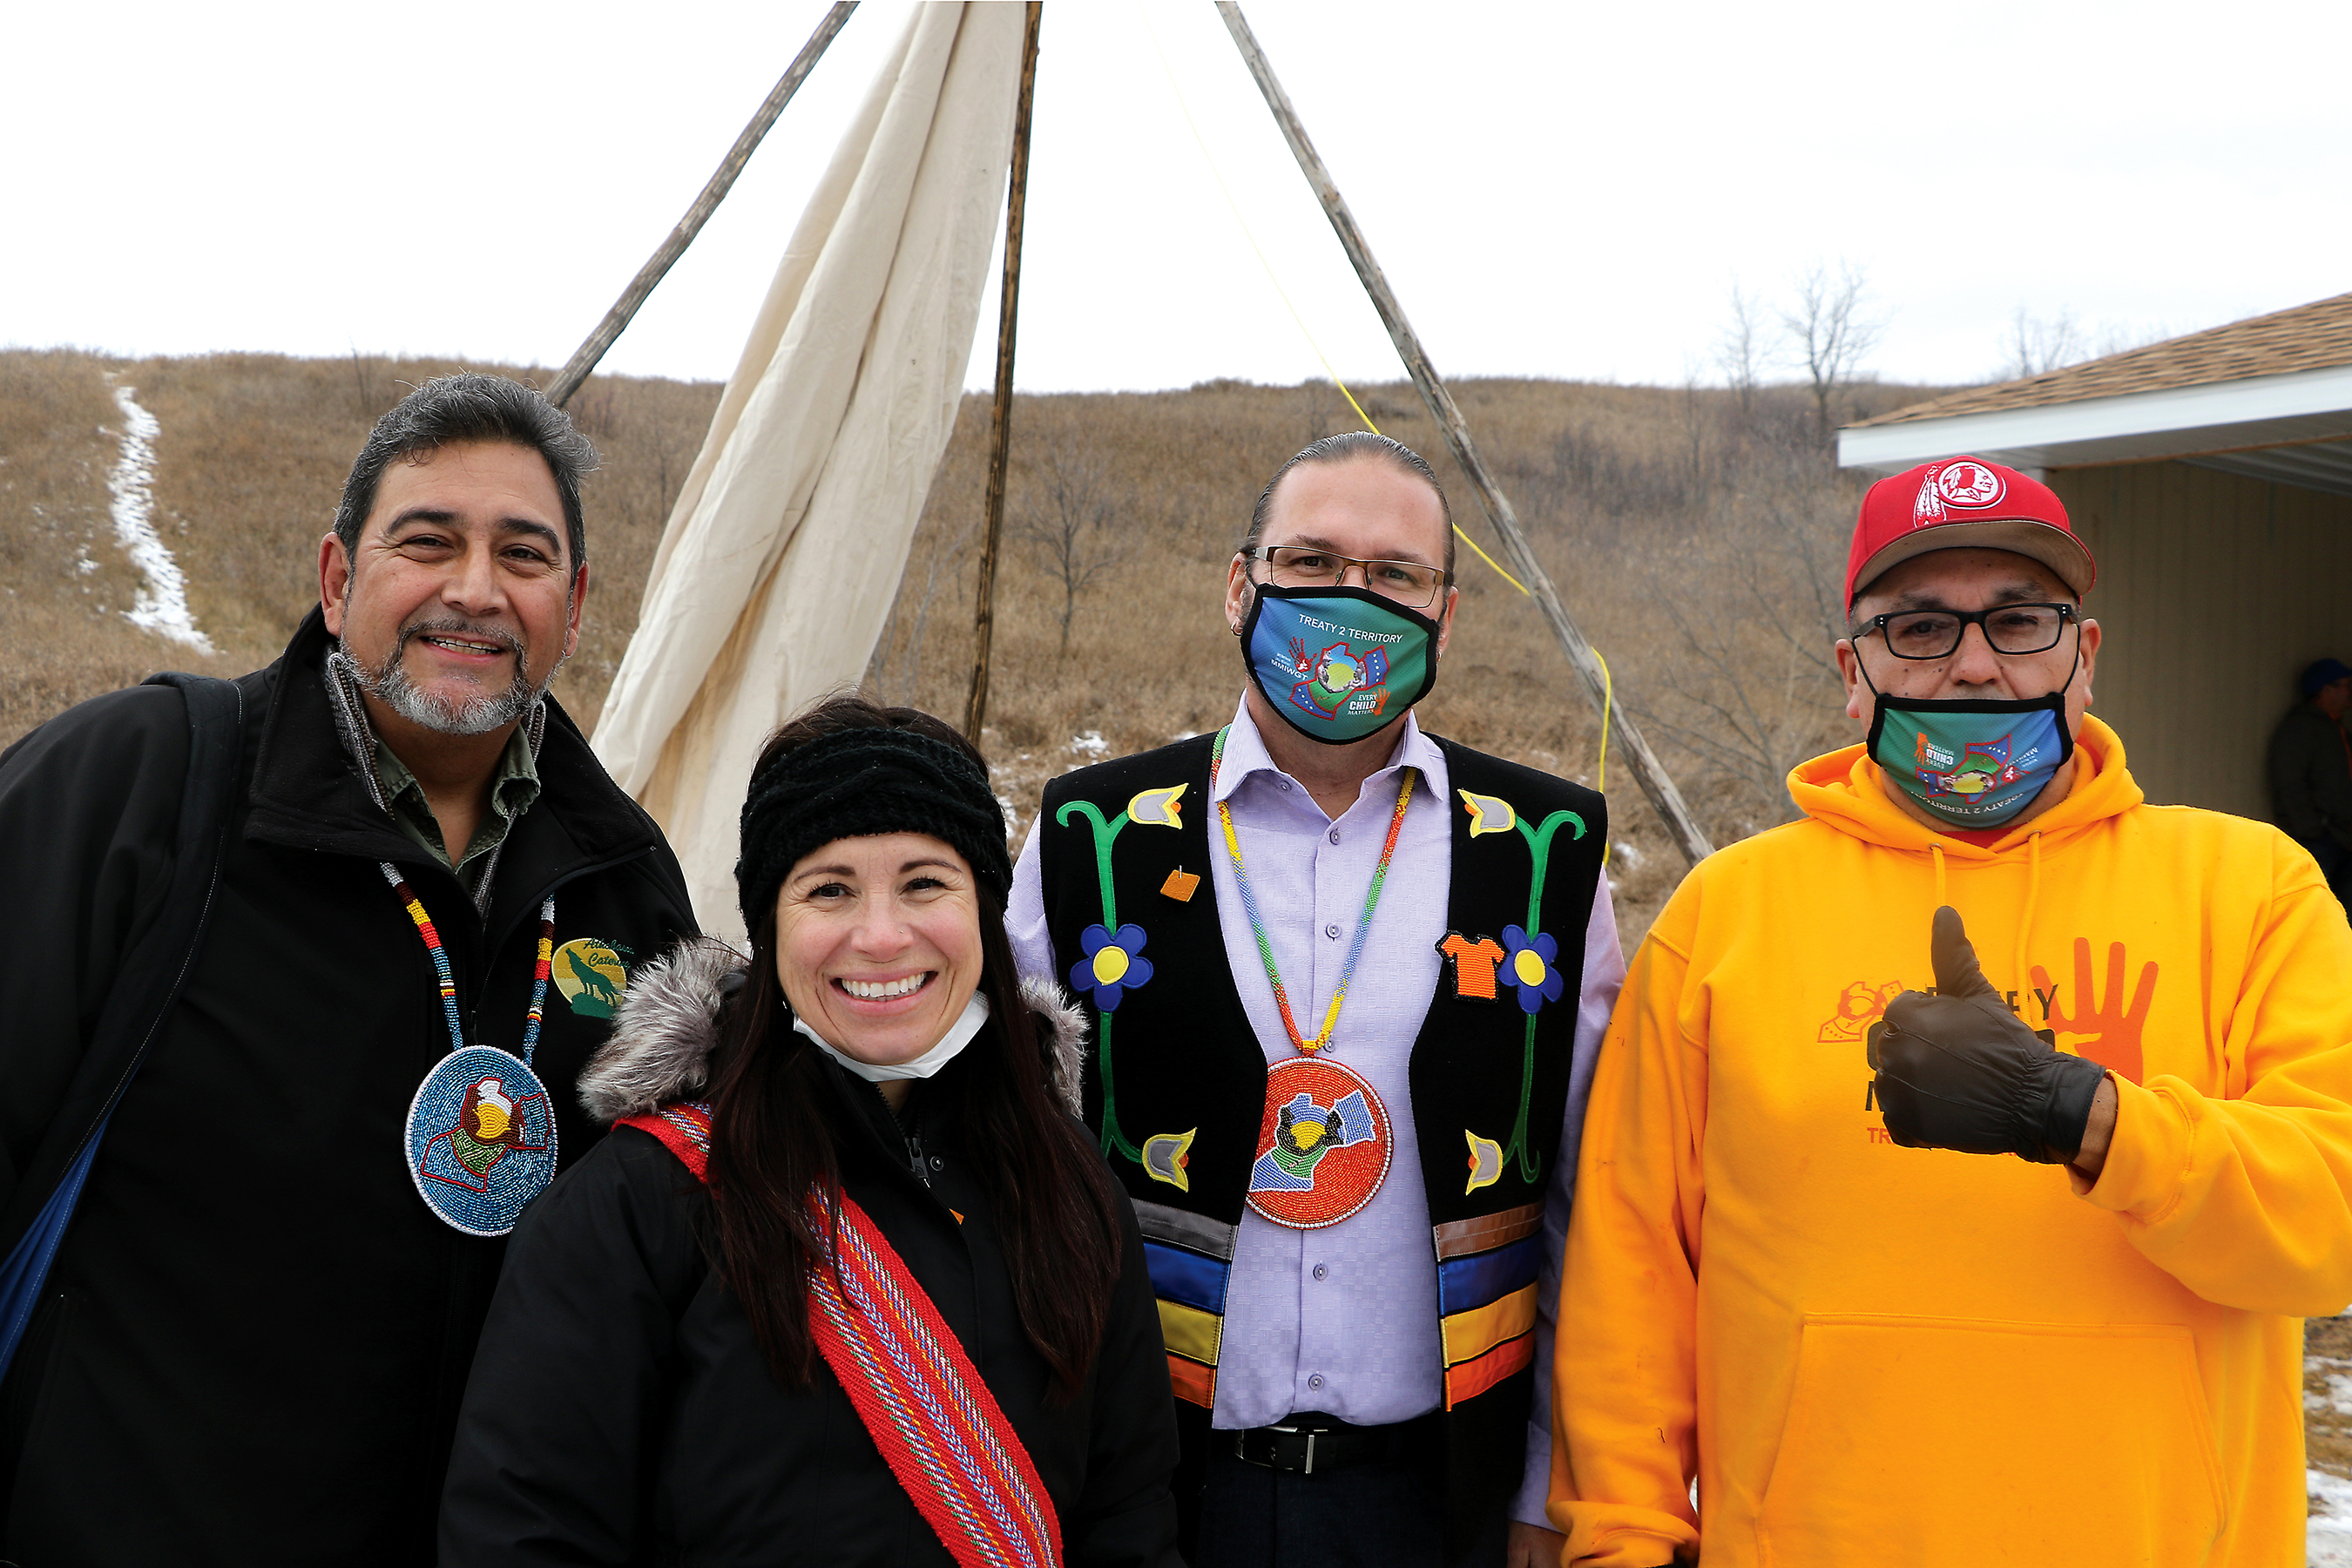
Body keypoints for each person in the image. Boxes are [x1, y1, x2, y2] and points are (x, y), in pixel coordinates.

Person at [1552, 455, 2352, 1566]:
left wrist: (2081, 1114)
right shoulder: (1726, 914)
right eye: (1920, 628)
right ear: (1852, 669)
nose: (1976, 666)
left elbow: (2332, 1228)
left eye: (2021, 621)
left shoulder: (2253, 889)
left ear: (2087, 656)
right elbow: (1630, 1277)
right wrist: (1622, 1539)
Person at [0, 374, 696, 1565]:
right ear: (337, 581)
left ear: (573, 608)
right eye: (428, 542)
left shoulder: (630, 893)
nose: (475, 588)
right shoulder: (142, 790)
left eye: (522, 556)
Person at [1008, 432, 1619, 1567]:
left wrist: (1550, 1482)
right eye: (1314, 562)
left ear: (1446, 611)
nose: (1353, 598)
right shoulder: (1092, 835)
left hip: (1445, 1503)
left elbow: (1594, 1204)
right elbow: (1002, 1157)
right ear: (1241, 584)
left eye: (1395, 575)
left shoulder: (1545, 852)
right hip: (1150, 1495)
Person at [440, 696, 1180, 1565]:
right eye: (828, 889)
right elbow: (528, 1531)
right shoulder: (639, 1205)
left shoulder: (1069, 1185)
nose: (880, 935)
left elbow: (1129, 1517)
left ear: (983, 909)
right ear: (770, 925)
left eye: (924, 883)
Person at [2268, 655, 2352, 902]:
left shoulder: (2338, 731)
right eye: (2346, 685)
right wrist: (2312, 829)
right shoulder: (2300, 729)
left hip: (2343, 838)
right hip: (2319, 842)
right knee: (2314, 908)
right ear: (2325, 689)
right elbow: (2289, 782)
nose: (2349, 692)